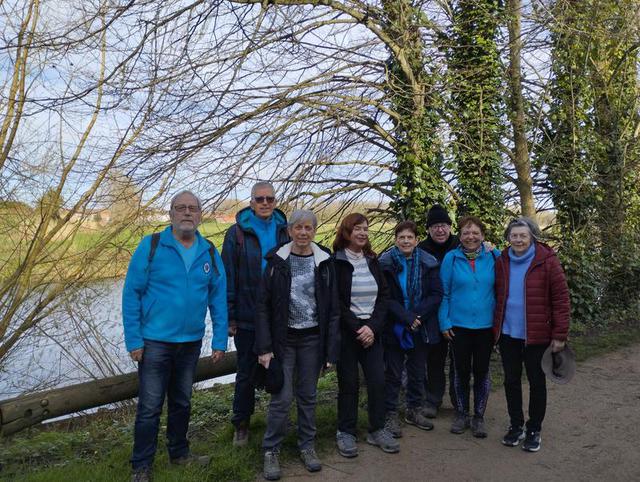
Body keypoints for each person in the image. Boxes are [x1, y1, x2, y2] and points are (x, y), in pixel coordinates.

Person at [122, 190, 228, 482]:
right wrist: (134, 340)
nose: (186, 213)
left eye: (192, 208)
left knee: (182, 402)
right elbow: (132, 293)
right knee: (150, 407)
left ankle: (179, 454)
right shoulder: (152, 245)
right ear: (170, 214)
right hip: (155, 342)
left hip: (190, 343)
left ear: (200, 215)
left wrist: (220, 340)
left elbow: (218, 298)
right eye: (180, 208)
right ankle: (141, 466)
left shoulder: (208, 251)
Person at [255, 210, 340, 480]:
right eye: (298, 228)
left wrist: (330, 350)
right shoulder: (276, 260)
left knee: (308, 397)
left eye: (308, 228)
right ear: (290, 231)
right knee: (281, 398)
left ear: (314, 231)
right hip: (284, 341)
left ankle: (307, 446)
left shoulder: (324, 261)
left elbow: (334, 309)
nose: (303, 233)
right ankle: (271, 450)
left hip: (313, 339)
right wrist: (264, 347)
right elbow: (262, 307)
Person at [493, 217, 570, 452]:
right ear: (508, 238)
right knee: (511, 380)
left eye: (522, 235)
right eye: (514, 235)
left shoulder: (547, 261)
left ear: (532, 237)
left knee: (537, 383)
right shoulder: (502, 260)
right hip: (508, 334)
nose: (518, 239)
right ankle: (516, 425)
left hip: (537, 335)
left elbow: (561, 300)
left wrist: (559, 335)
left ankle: (534, 428)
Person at [221, 181, 289, 446]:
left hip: (279, 316)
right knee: (247, 374)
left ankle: (279, 422)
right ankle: (241, 424)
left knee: (281, 369)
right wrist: (230, 316)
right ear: (251, 202)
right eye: (259, 199)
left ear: (275, 201)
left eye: (269, 199)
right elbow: (228, 276)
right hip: (248, 315)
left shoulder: (285, 230)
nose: (264, 203)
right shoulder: (237, 233)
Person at [333, 213, 399, 457]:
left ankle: (377, 429)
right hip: (348, 332)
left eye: (365, 229)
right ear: (347, 232)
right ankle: (346, 432)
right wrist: (357, 327)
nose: (362, 233)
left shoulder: (373, 260)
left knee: (377, 381)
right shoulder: (336, 261)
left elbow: (384, 296)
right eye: (357, 229)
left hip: (372, 330)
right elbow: (336, 302)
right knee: (348, 383)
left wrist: (372, 327)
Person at [379, 221, 443, 437]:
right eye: (401, 237)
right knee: (393, 373)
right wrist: (406, 317)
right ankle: (389, 413)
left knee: (417, 372)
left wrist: (417, 317)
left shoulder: (429, 263)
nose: (406, 241)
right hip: (395, 325)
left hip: (421, 325)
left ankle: (413, 409)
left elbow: (436, 294)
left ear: (416, 240)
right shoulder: (385, 263)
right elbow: (384, 296)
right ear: (396, 240)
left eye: (410, 237)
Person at [438, 215, 499, 438]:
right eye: (466, 233)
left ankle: (479, 417)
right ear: (460, 236)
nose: (470, 236)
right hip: (458, 326)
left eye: (475, 233)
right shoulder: (451, 259)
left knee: (481, 371)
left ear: (483, 236)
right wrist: (444, 322)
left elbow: (505, 285)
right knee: (461, 371)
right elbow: (443, 293)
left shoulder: (494, 256)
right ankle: (462, 413)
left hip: (486, 326)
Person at [417, 204, 459, 417]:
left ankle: (458, 399)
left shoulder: (462, 245)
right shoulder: (421, 250)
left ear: (450, 227)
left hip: (459, 311)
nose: (439, 230)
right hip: (433, 313)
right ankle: (433, 399)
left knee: (459, 359)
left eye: (443, 225)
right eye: (434, 226)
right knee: (434, 358)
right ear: (428, 230)